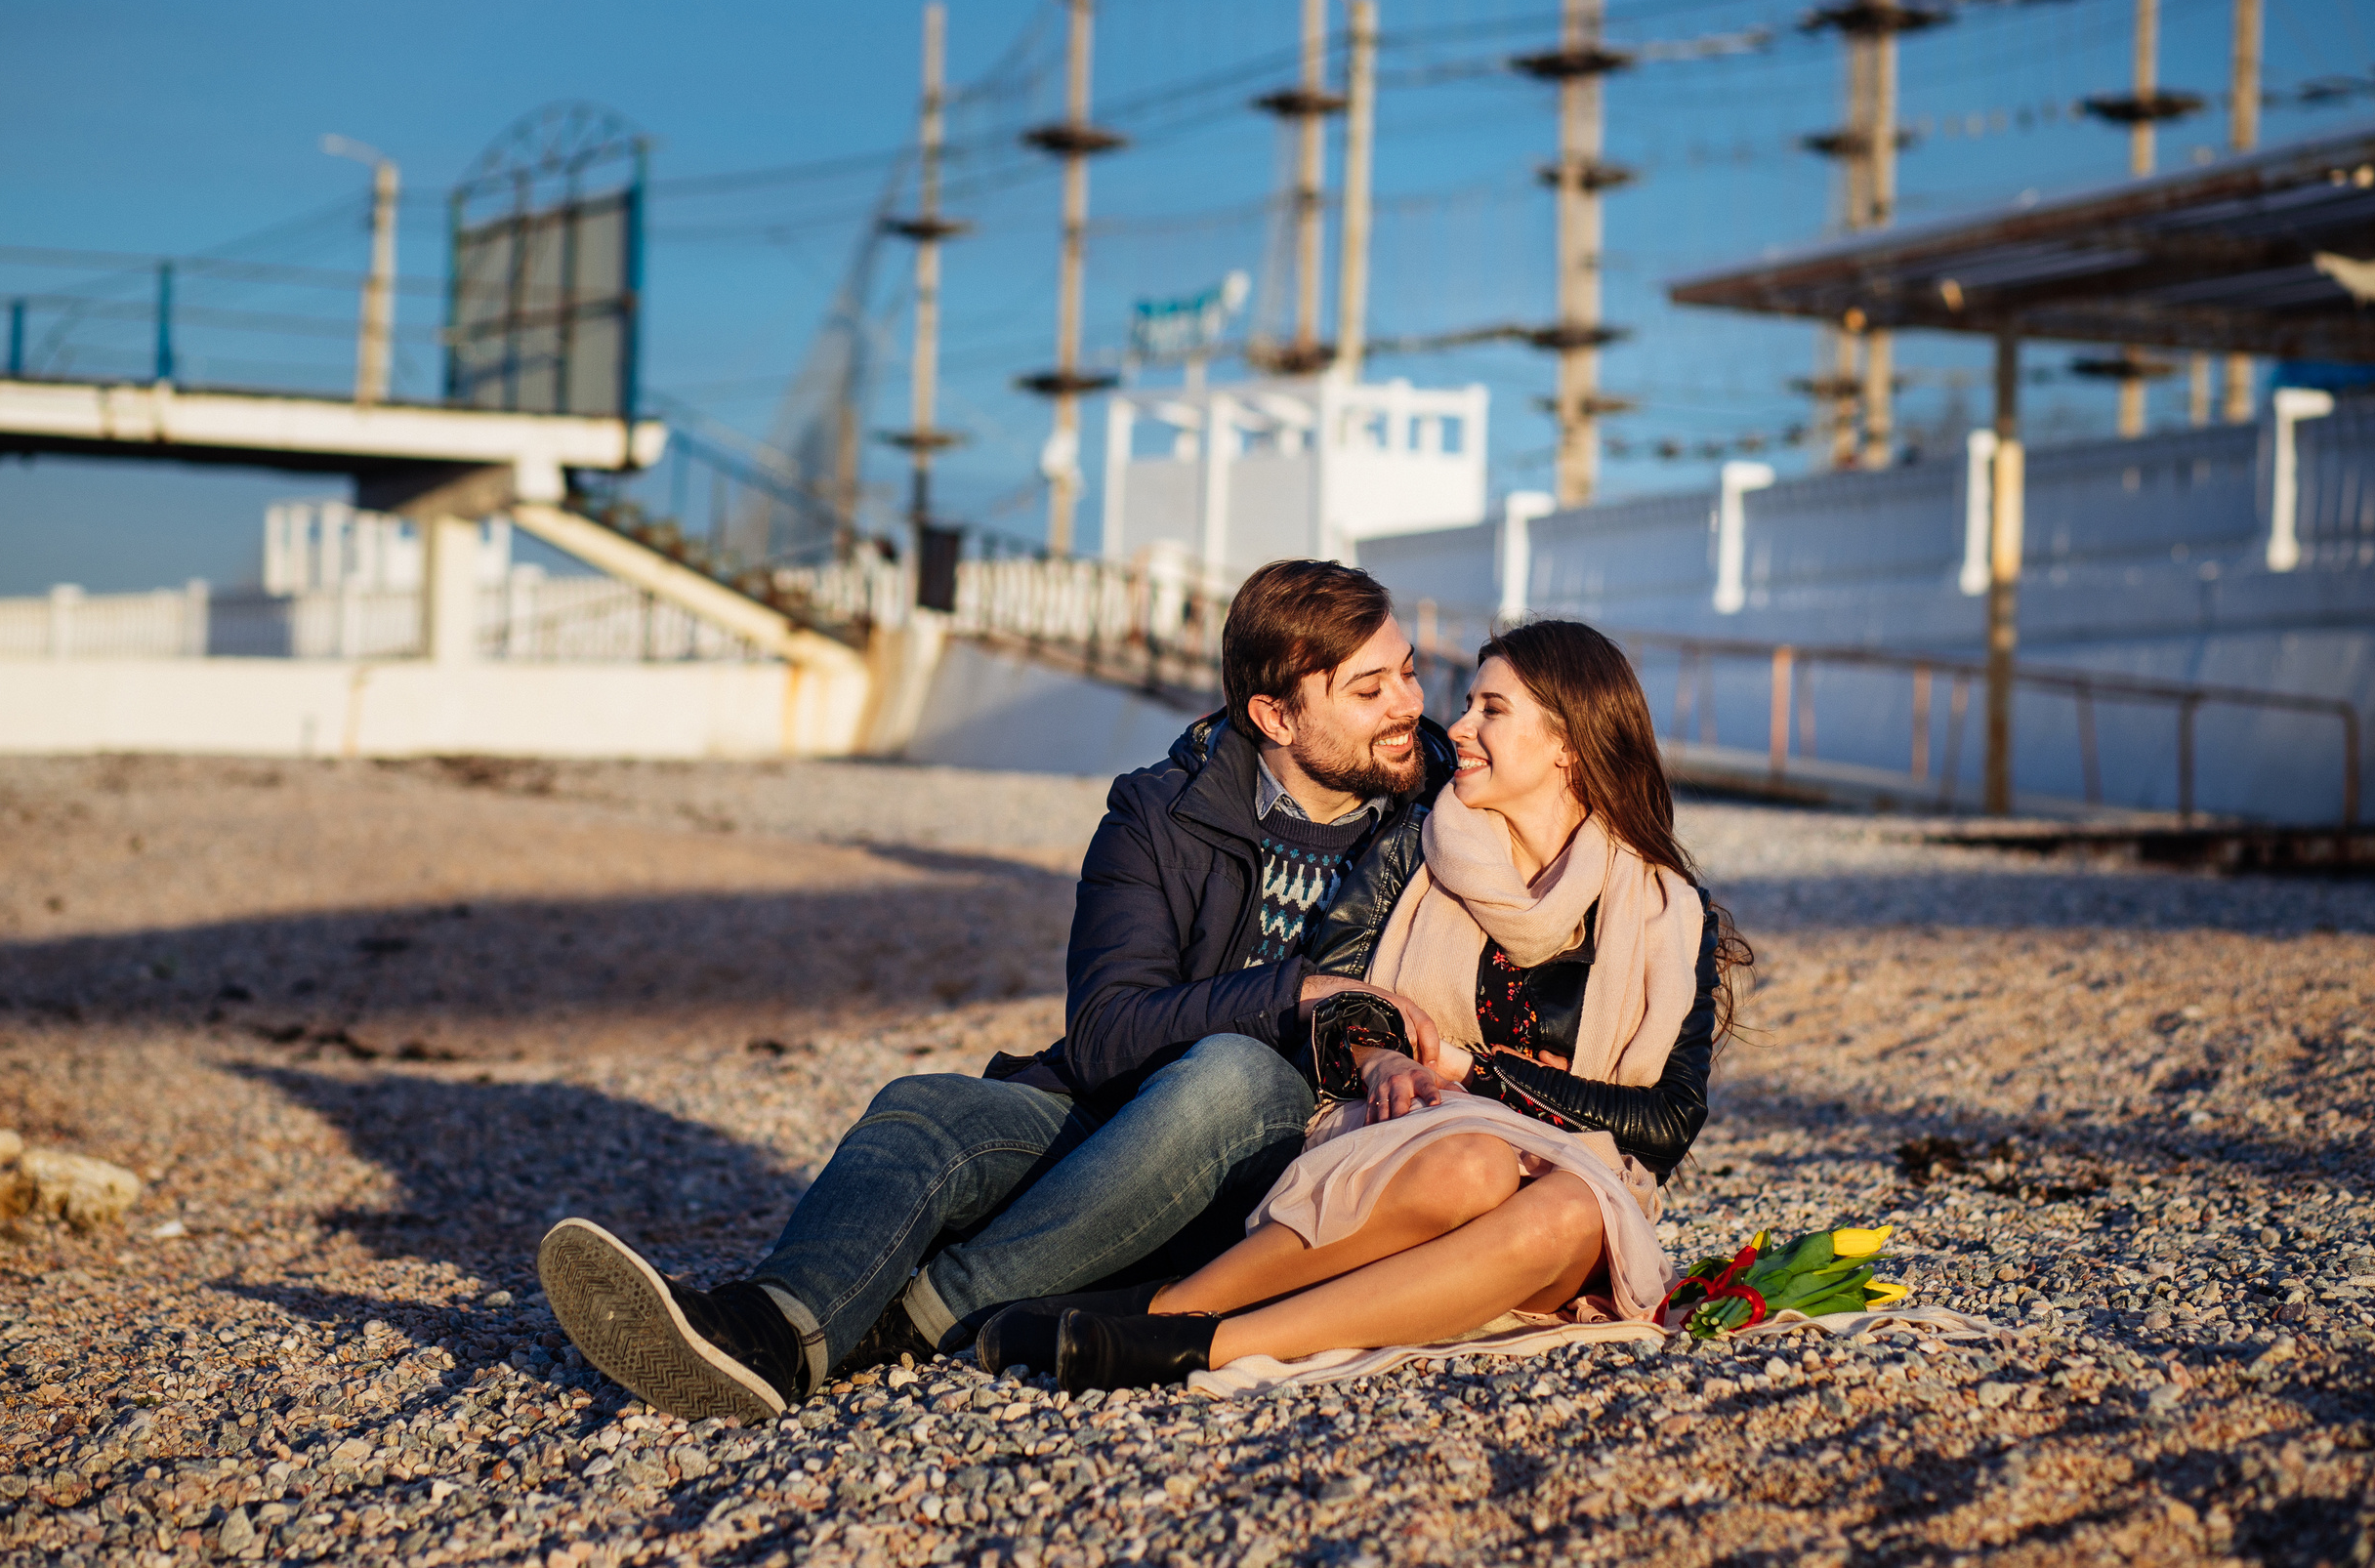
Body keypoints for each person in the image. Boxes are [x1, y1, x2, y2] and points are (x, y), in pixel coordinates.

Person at [536, 559, 1457, 1422]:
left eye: (1408, 672)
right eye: (1370, 689)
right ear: (1275, 715)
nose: (1410, 705)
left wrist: (1321, 1014)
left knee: (1234, 1074)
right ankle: (773, 1330)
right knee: (926, 1109)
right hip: (1122, 1112)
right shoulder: (1158, 814)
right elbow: (1106, 1031)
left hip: (1281, 1150)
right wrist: (1295, 988)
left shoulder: (1443, 816)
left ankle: (922, 1315)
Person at [1012, 618, 1752, 1391]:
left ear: (1567, 742)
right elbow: (1341, 994)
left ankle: (1180, 1327)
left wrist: (1476, 1072)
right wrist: (1387, 1055)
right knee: (1473, 1161)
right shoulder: (1416, 847)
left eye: (1492, 709)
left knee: (1573, 1208)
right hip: (1412, 1146)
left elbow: (1666, 1123)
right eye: (1467, 703)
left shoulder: (1668, 914)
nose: (1456, 727)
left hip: (1573, 1185)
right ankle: (1170, 1323)